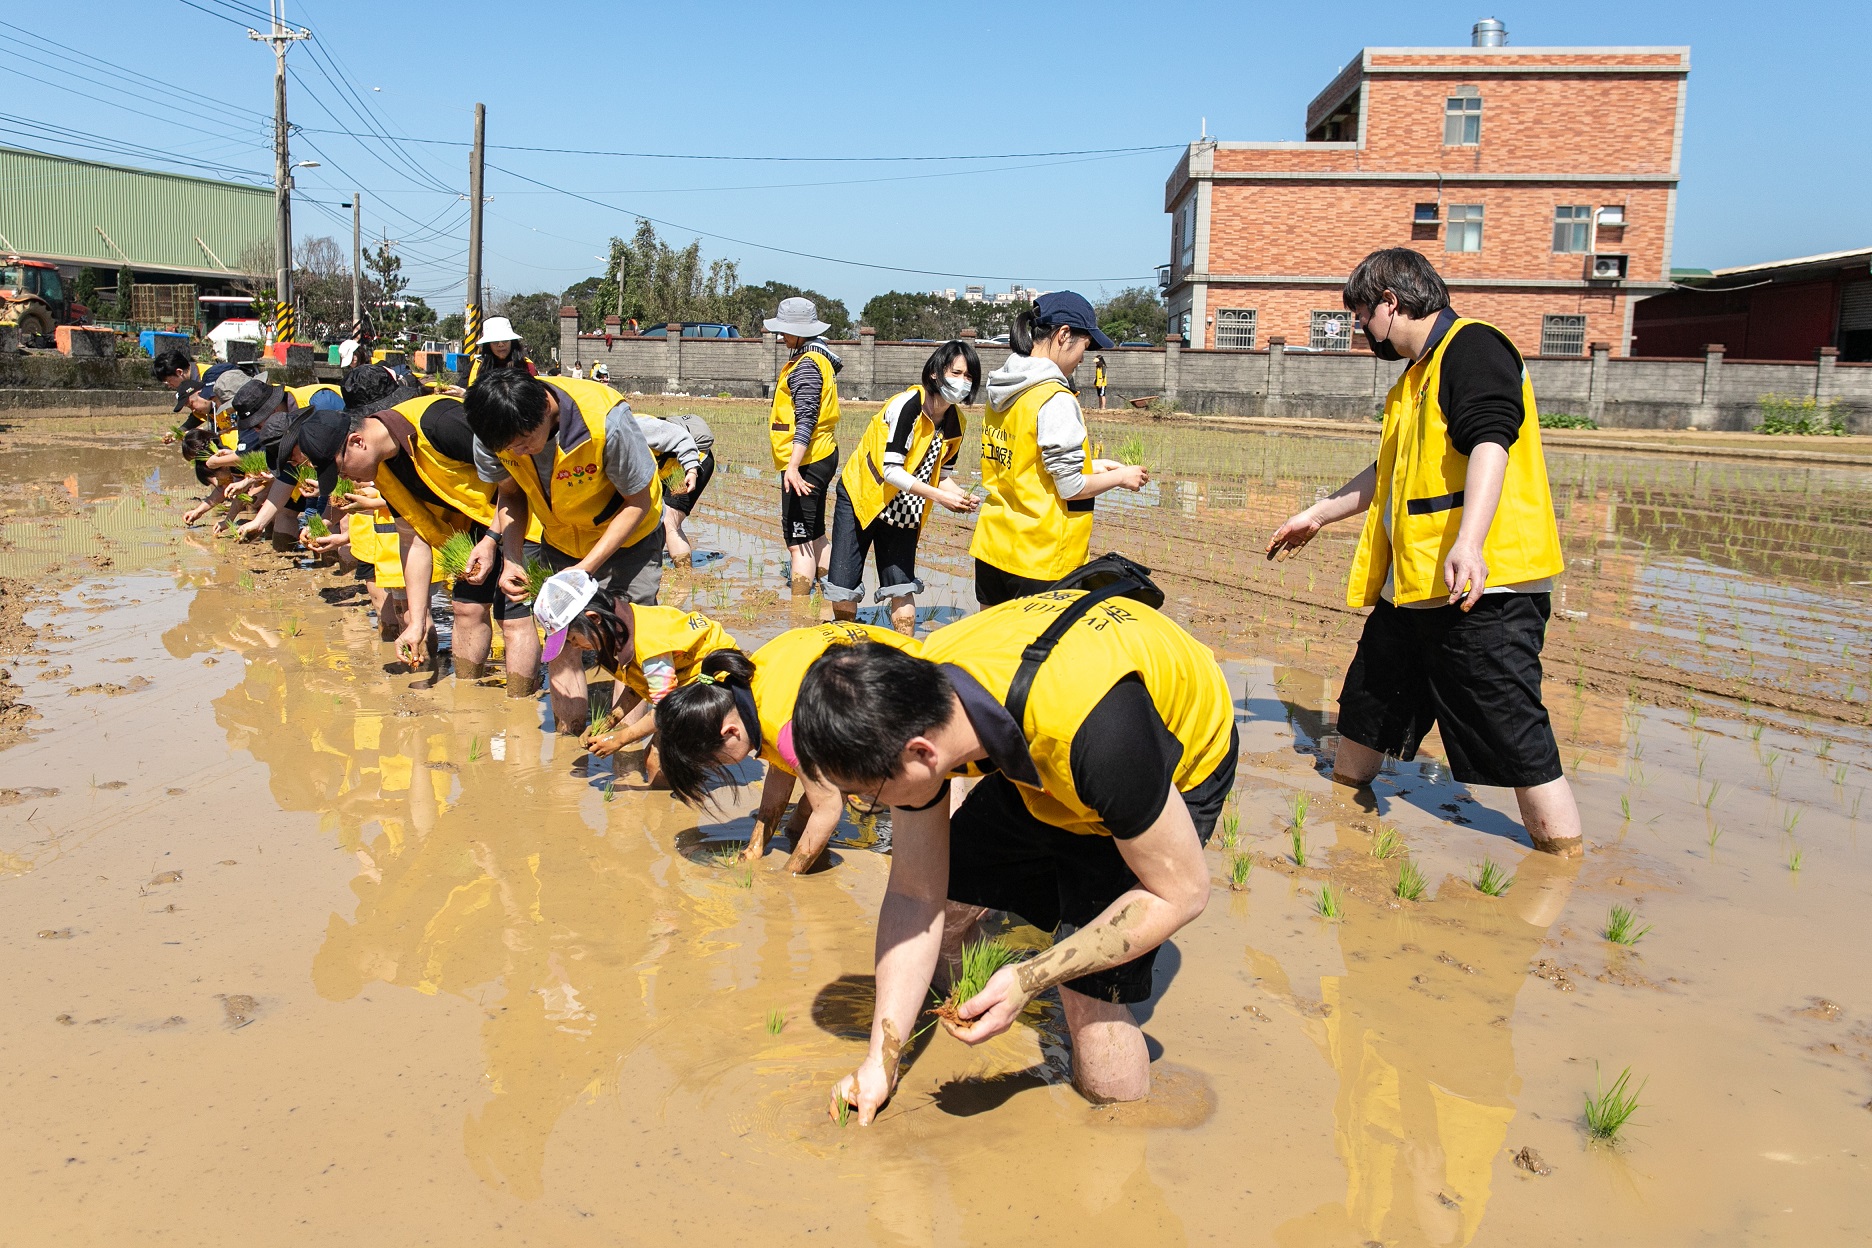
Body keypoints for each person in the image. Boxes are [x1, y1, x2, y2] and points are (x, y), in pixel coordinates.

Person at [789, 587, 1238, 1120]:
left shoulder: (1100, 735)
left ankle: (1121, 1152)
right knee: (950, 912)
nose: (866, 806)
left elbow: (1183, 893)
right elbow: (915, 893)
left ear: (920, 754)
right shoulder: (914, 702)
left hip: (1163, 755)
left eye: (867, 796)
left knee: (1088, 996)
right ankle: (987, 998)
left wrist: (1034, 976)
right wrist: (879, 1062)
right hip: (1042, 749)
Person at [1265, 247, 1581, 857]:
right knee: (1368, 702)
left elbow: (1491, 436)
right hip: (1413, 587)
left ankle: (1562, 857)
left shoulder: (1474, 347)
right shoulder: (1415, 379)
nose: (1362, 332)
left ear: (1391, 302)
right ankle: (1345, 804)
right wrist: (1316, 515)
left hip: (1483, 588)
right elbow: (1388, 473)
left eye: (1363, 318)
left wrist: (1470, 541)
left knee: (1511, 726)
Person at [282, 370, 543, 692]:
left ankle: (518, 704)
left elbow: (517, 482)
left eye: (339, 468)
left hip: (522, 518)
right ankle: (470, 703)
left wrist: (493, 540)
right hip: (472, 528)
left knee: (512, 618)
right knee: (465, 609)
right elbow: (412, 538)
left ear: (357, 442)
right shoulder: (384, 468)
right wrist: (417, 622)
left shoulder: (442, 422)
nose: (344, 476)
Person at [464, 369, 666, 734]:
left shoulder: (605, 420)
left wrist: (585, 569)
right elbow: (511, 494)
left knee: (627, 639)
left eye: (524, 441)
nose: (517, 452)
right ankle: (568, 736)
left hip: (628, 537)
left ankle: (624, 753)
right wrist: (510, 557)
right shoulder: (492, 435)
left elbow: (637, 501)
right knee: (561, 638)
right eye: (507, 448)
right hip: (560, 540)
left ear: (545, 407)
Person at [655, 622, 922, 872]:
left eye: (714, 762)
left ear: (730, 732)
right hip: (881, 668)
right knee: (805, 814)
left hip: (917, 688)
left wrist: (789, 877)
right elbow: (781, 769)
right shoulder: (747, 687)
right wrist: (754, 849)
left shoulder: (783, 728)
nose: (717, 768)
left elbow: (828, 809)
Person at [971, 291, 1148, 607]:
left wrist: (1095, 465)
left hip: (993, 549)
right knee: (1040, 653)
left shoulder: (1003, 389)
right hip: (1040, 559)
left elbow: (1026, 465)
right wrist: (1122, 477)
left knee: (992, 650)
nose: (1084, 355)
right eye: (1085, 345)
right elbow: (1071, 487)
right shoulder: (1055, 397)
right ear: (1064, 335)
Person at [824, 340, 980, 635]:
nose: (962, 382)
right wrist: (940, 497)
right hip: (863, 495)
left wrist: (961, 496)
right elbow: (891, 471)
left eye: (969, 376)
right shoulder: (908, 406)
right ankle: (846, 643)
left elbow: (942, 475)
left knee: (901, 584)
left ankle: (905, 647)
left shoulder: (956, 422)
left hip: (905, 505)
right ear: (936, 373)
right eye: (956, 373)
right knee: (843, 585)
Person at [533, 572, 738, 772]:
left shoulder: (648, 645)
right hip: (689, 686)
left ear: (594, 618)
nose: (575, 646)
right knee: (659, 762)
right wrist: (608, 723)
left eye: (573, 639)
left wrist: (621, 739)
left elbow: (665, 710)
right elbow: (637, 686)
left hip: (721, 684)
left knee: (659, 763)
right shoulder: (618, 629)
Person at [765, 297, 843, 597]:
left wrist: (794, 467)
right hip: (819, 455)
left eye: (784, 330)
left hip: (807, 460)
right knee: (816, 534)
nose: (781, 336)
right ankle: (830, 595)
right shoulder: (815, 358)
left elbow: (806, 418)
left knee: (799, 542)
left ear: (799, 331)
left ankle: (799, 612)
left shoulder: (807, 366)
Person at [658, 412, 716, 567]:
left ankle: (684, 574)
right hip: (668, 466)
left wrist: (692, 470)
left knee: (669, 521)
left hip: (694, 461)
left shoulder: (633, 434)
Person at [453, 316, 537, 393]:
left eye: (505, 340)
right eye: (495, 341)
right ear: (488, 345)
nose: (500, 344)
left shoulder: (527, 366)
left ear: (512, 342)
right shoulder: (475, 366)